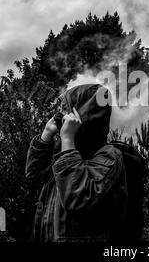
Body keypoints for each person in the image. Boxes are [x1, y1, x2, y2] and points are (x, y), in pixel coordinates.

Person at [26, 84, 128, 242]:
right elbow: (33, 175)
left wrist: (67, 139)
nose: (62, 117)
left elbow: (77, 199)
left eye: (66, 110)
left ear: (84, 116)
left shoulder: (109, 156)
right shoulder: (65, 152)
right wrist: (46, 135)